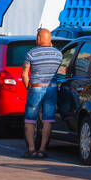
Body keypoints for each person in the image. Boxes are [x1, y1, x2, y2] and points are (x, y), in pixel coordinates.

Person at [21, 28, 63, 159]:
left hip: (36, 88)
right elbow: (61, 71)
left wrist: (28, 86)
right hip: (52, 88)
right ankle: (43, 149)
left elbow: (24, 73)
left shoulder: (31, 53)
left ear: (38, 39)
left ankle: (32, 149)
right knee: (48, 120)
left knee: (30, 120)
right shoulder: (58, 54)